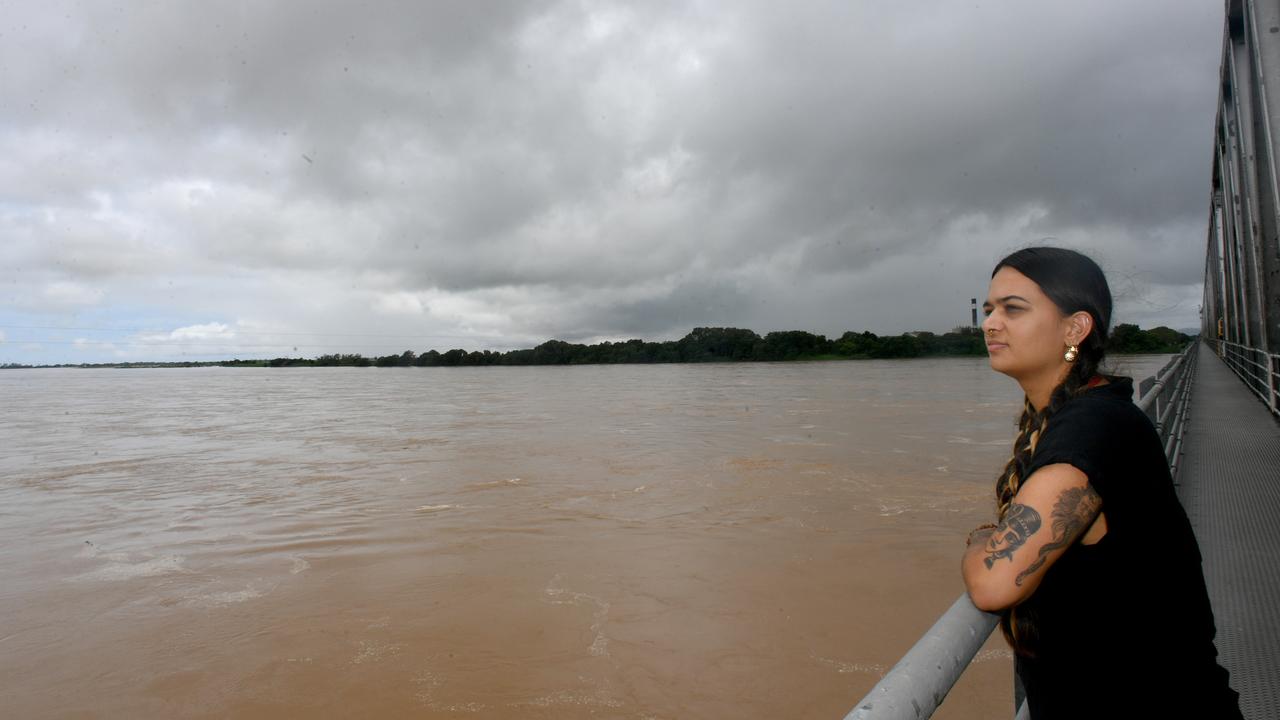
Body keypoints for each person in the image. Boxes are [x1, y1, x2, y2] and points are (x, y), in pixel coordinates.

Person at [960, 247, 1242, 719]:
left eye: (1013, 309)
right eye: (988, 309)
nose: (989, 323)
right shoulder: (1089, 411)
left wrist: (979, 539)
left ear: (1075, 328)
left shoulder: (1091, 428)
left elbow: (994, 583)